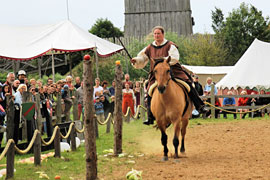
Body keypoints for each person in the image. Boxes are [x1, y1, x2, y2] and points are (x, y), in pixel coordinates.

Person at [131, 26, 206, 125]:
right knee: (149, 90)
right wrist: (136, 60)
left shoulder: (170, 45)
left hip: (173, 71)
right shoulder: (149, 48)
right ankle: (150, 116)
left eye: (159, 33)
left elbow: (174, 58)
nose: (157, 35)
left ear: (163, 34)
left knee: (188, 85)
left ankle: (199, 106)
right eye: (155, 34)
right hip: (157, 75)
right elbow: (143, 59)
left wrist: (162, 60)